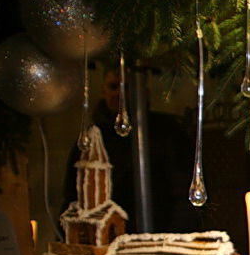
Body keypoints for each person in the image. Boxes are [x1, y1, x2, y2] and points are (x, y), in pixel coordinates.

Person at [62, 66, 199, 233]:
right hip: (107, 238)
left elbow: (184, 190)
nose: (119, 95)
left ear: (143, 91)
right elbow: (72, 196)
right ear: (103, 91)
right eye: (114, 87)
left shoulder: (167, 132)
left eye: (126, 87)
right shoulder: (89, 140)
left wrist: (175, 236)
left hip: (160, 235)